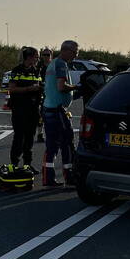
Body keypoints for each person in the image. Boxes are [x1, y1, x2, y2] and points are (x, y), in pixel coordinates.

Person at [42, 39, 81, 186]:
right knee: (67, 142)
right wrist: (76, 88)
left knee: (52, 144)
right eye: (75, 52)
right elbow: (61, 86)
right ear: (67, 50)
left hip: (49, 107)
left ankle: (48, 178)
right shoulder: (61, 65)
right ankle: (69, 177)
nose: (76, 56)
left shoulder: (52, 63)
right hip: (58, 110)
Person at [8, 46, 43, 170]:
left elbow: (38, 86)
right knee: (19, 137)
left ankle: (27, 165)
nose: (38, 59)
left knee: (30, 137)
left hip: (33, 108)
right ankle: (14, 165)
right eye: (36, 57)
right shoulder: (17, 70)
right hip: (19, 108)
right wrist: (28, 89)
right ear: (29, 57)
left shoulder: (36, 70)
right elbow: (11, 89)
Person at [36, 47, 53, 142]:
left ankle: (51, 134)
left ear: (51, 56)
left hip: (51, 94)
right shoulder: (39, 66)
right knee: (41, 114)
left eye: (48, 55)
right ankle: (40, 133)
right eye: (44, 55)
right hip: (40, 93)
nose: (46, 57)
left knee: (51, 115)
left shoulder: (53, 66)